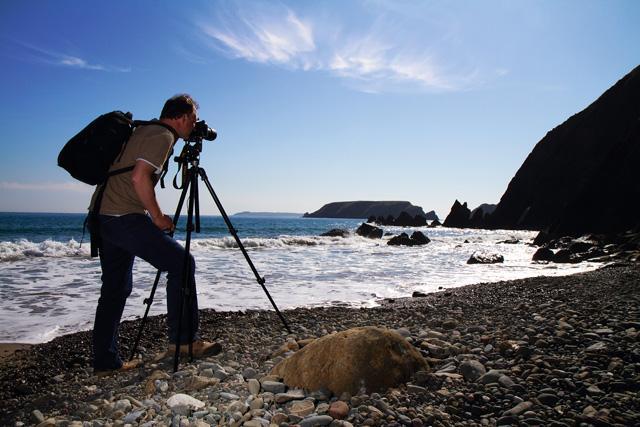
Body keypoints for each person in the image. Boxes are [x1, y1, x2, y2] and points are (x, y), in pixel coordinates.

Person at [89, 94, 220, 375]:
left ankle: (105, 361)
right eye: (193, 120)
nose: (194, 126)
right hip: (124, 217)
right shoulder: (162, 135)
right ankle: (184, 342)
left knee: (115, 289)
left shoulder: (142, 129)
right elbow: (139, 177)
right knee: (182, 263)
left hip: (103, 216)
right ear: (182, 117)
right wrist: (158, 217)